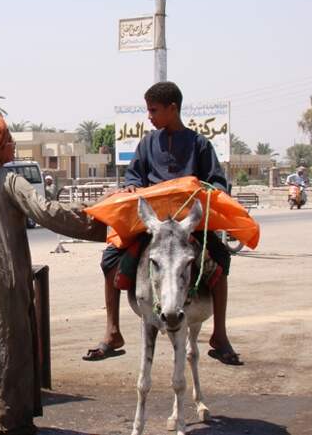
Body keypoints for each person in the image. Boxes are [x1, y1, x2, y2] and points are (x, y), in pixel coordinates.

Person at [0, 115, 106, 434]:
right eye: (9, 141)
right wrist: (99, 218)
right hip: (1, 280)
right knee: (5, 345)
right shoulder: (9, 181)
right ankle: (3, 419)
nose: (13, 145)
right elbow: (48, 213)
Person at [82, 81, 242, 366]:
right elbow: (134, 176)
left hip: (188, 226)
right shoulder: (146, 143)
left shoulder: (200, 145)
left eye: (153, 110)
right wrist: (131, 187)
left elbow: (217, 182)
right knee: (110, 259)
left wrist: (208, 189)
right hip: (152, 223)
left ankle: (220, 334)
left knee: (220, 259)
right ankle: (113, 331)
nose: (149, 116)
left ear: (172, 108)